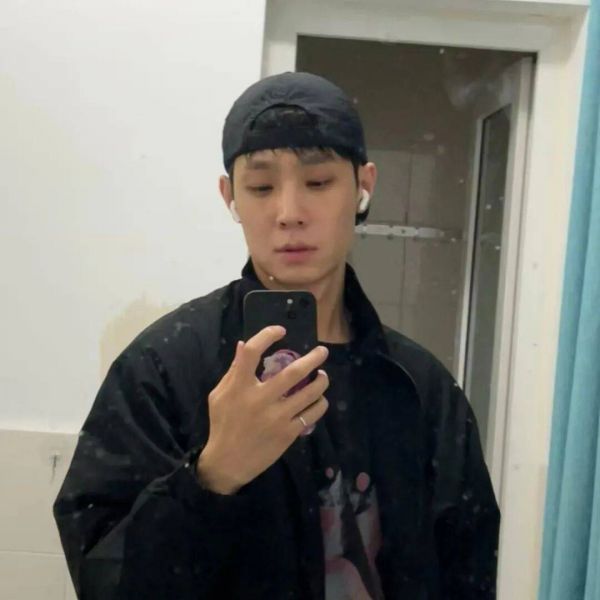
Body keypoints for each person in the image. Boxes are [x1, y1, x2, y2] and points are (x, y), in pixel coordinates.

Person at [54, 71, 500, 600]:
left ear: (363, 186)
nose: (289, 214)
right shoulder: (163, 368)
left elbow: (467, 573)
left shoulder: (419, 387)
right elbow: (104, 581)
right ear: (230, 196)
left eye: (319, 182)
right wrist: (212, 476)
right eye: (262, 187)